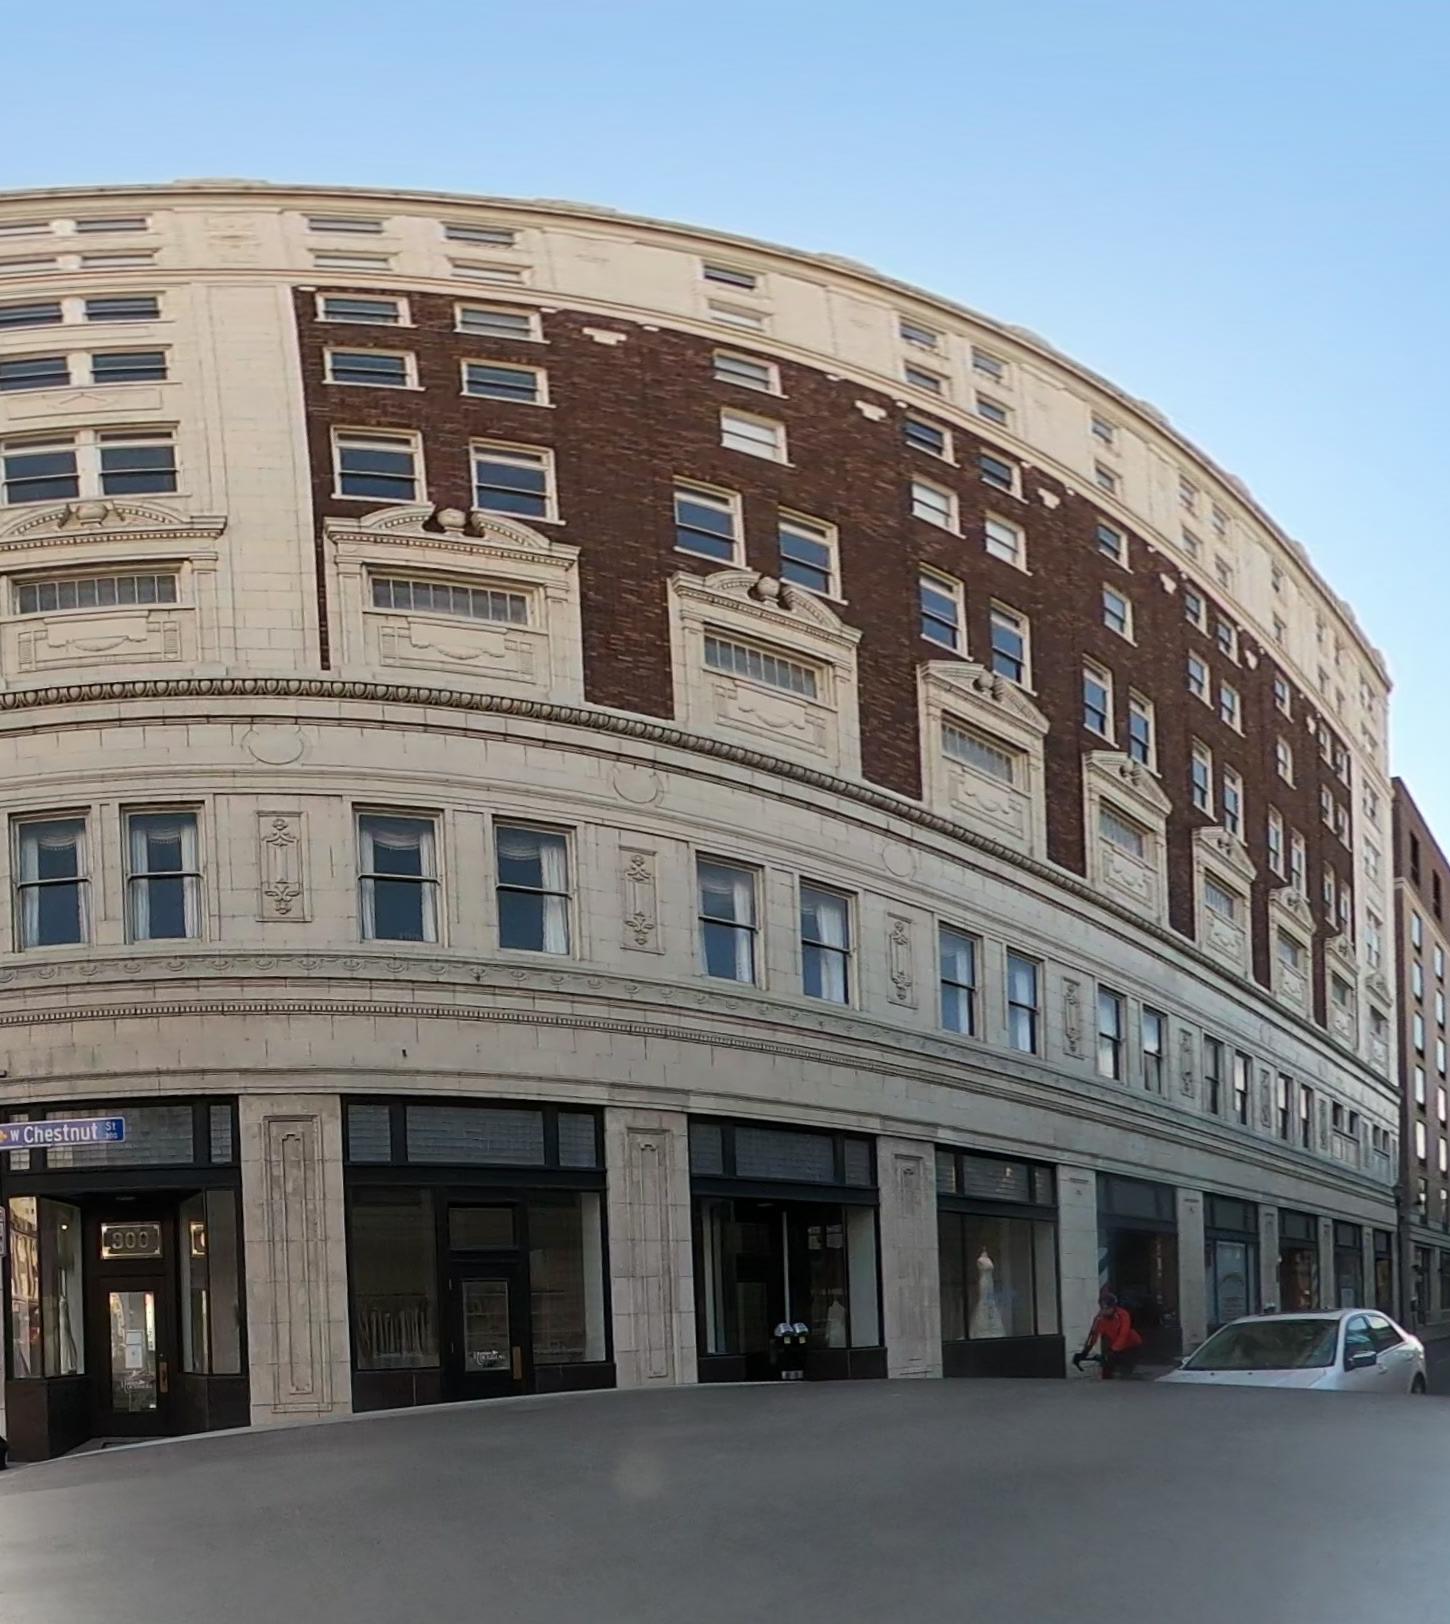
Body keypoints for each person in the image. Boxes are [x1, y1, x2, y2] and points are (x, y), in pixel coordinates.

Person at [1077, 1288, 1143, 1379]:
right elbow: (1094, 1334)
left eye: (1108, 1308)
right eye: (1103, 1308)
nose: (1105, 1311)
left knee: (1125, 1371)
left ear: (1114, 1307)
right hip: (1115, 1346)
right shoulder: (1099, 1318)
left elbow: (1123, 1334)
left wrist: (1113, 1350)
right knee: (1107, 1369)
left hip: (1131, 1345)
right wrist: (1086, 1350)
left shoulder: (1122, 1315)